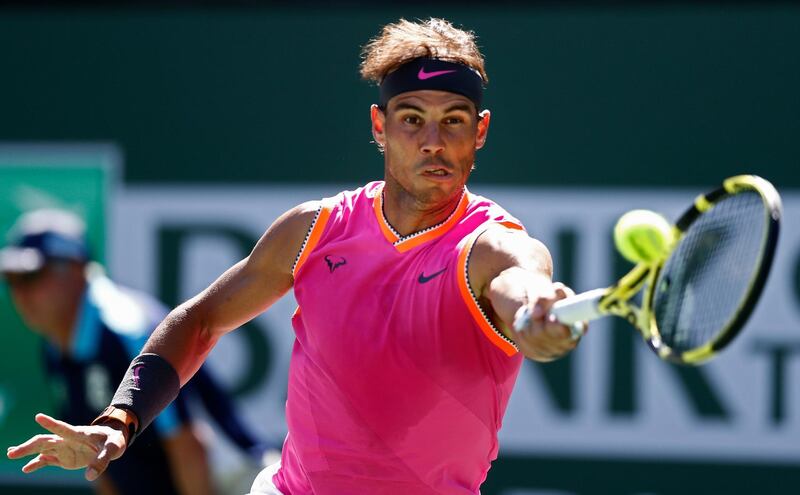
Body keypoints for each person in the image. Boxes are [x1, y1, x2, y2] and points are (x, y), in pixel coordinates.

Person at [7, 18, 582, 494]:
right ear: (379, 126)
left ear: (479, 132)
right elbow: (201, 320)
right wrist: (119, 421)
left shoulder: (491, 243)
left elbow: (520, 282)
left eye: (453, 121)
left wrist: (535, 310)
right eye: (412, 119)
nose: (433, 140)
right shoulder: (315, 230)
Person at [1, 208, 272, 495]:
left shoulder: (125, 330)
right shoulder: (54, 346)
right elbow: (98, 459)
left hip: (239, 481)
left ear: (78, 268)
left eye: (32, 277)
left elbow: (190, 446)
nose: (21, 293)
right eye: (13, 280)